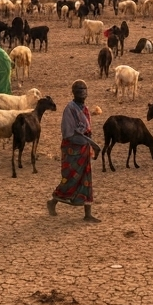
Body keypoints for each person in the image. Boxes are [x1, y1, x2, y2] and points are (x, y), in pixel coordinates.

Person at [47, 80, 100, 222]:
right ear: (74, 93)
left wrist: (89, 143)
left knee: (86, 179)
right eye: (80, 92)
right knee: (70, 179)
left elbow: (87, 130)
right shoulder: (69, 109)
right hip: (72, 149)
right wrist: (85, 140)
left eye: (84, 92)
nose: (82, 95)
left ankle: (87, 213)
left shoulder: (85, 109)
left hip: (84, 148)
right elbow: (68, 133)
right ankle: (53, 201)